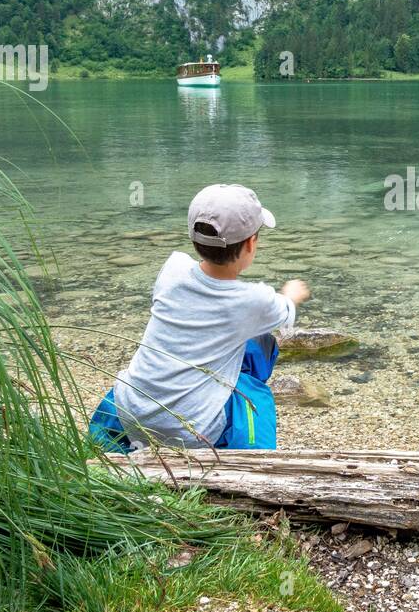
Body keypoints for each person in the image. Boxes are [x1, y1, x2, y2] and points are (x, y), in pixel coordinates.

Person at [88, 184, 310, 452]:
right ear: (251, 243)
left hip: (128, 413)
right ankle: (253, 455)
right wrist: (292, 293)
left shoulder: (173, 269)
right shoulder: (255, 300)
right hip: (193, 433)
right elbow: (285, 312)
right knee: (258, 348)